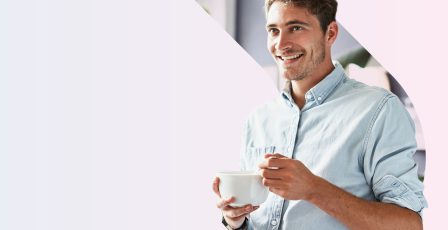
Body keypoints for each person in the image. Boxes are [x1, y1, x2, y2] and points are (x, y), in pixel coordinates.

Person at [212, 0, 427, 229]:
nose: (281, 44)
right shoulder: (258, 120)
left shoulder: (379, 111)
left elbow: (408, 224)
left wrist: (314, 189)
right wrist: (236, 221)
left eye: (296, 28)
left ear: (330, 32)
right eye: (274, 30)